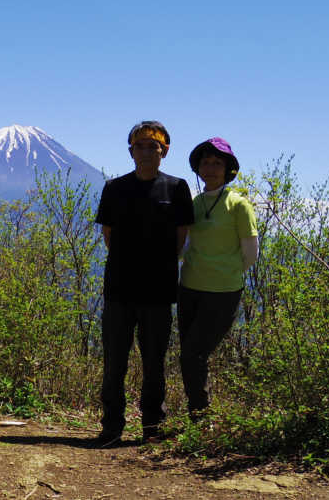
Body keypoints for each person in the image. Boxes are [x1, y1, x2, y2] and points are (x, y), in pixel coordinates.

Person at [94, 120, 194, 445]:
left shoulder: (177, 188)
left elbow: (182, 238)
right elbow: (109, 237)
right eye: (141, 145)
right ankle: (112, 427)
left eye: (154, 145)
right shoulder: (114, 189)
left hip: (158, 291)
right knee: (114, 363)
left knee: (155, 363)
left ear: (164, 151)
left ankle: (153, 428)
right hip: (119, 290)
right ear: (131, 151)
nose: (147, 151)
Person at [178, 137, 258, 419]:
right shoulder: (194, 203)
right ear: (197, 167)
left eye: (217, 163)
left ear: (228, 169)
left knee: (193, 354)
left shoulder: (239, 205)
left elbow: (250, 253)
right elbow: (184, 246)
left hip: (222, 292)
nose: (210, 168)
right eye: (205, 162)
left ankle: (199, 416)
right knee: (190, 355)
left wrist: (226, 272)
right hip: (189, 287)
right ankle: (199, 415)